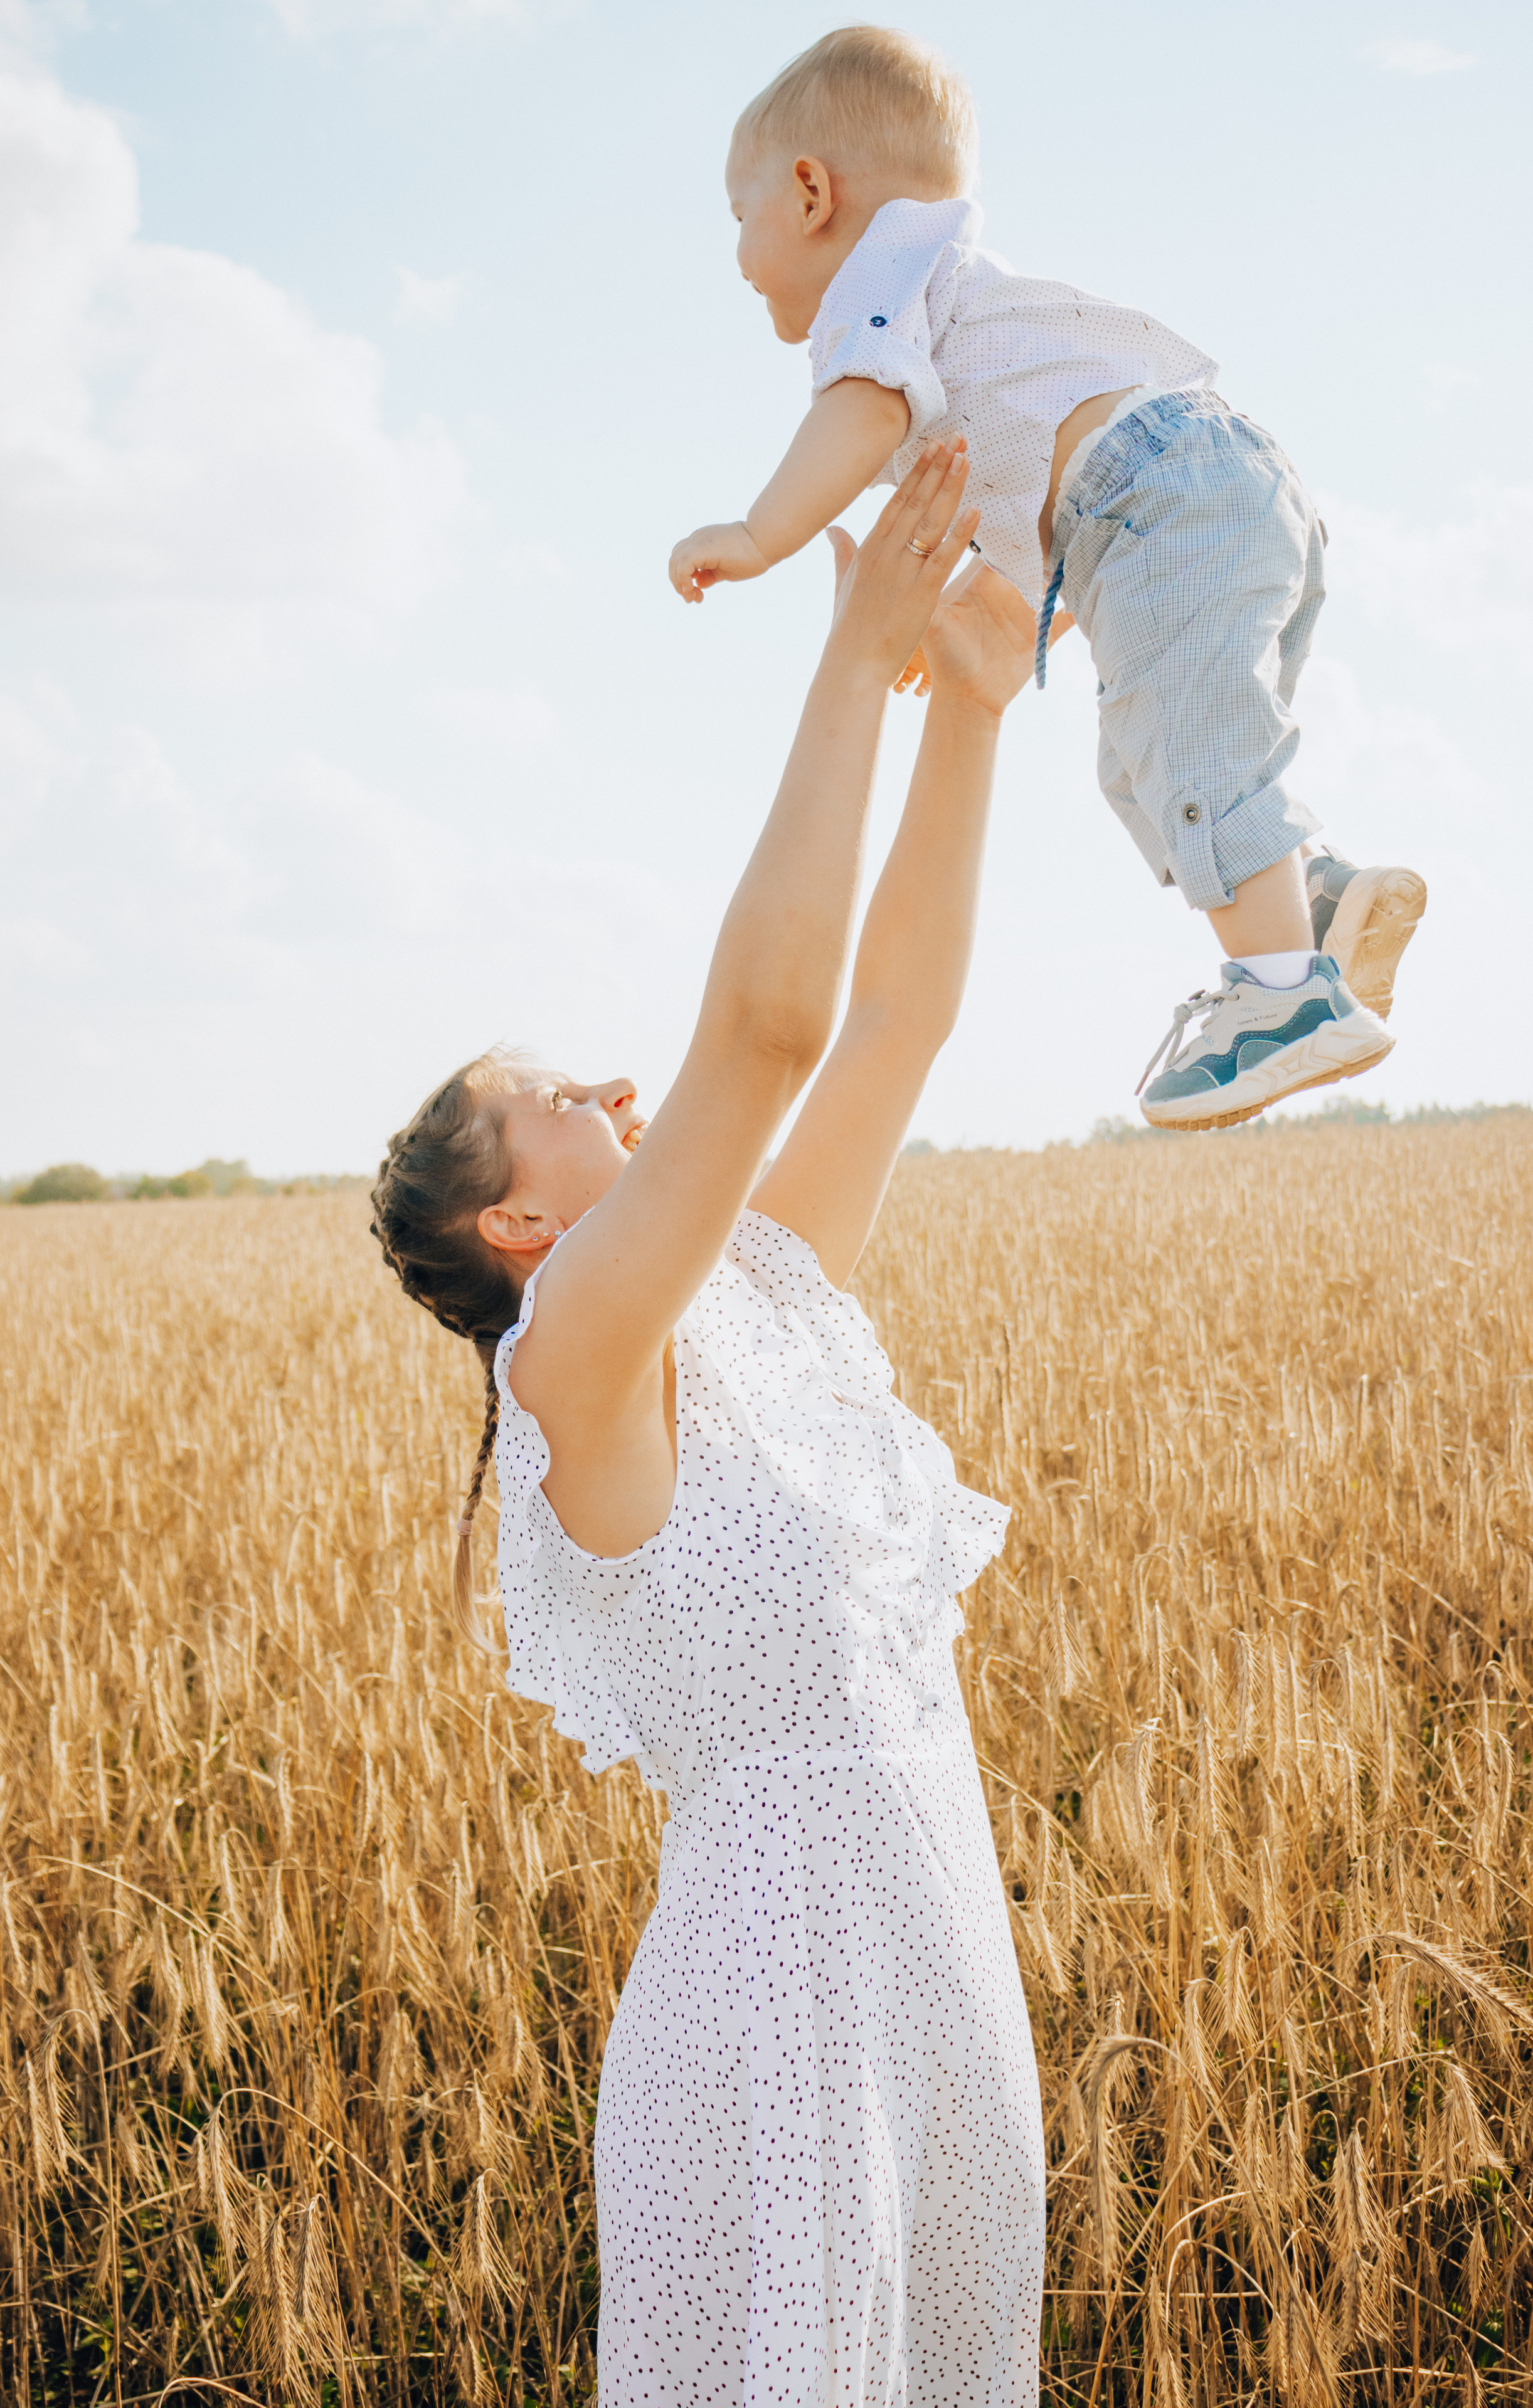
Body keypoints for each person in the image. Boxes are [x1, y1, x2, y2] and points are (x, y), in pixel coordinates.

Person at [371, 445, 1048, 2405]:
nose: (614, 1080)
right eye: (564, 1096)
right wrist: (848, 654)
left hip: (925, 1956)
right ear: (521, 1221)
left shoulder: (742, 1294)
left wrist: (973, 718)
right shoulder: (572, 1354)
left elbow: (894, 1023)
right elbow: (769, 1033)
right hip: (781, 2017)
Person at [668, 25, 1428, 1134]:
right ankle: (1315, 899)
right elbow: (1043, 487)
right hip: (1205, 489)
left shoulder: (878, 282)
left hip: (1159, 490)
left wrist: (760, 531)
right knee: (1154, 759)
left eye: (739, 219)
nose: (737, 256)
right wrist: (996, 612)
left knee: (1185, 752)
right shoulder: (958, 294)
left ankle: (1281, 1000)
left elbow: (866, 406)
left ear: (810, 191)